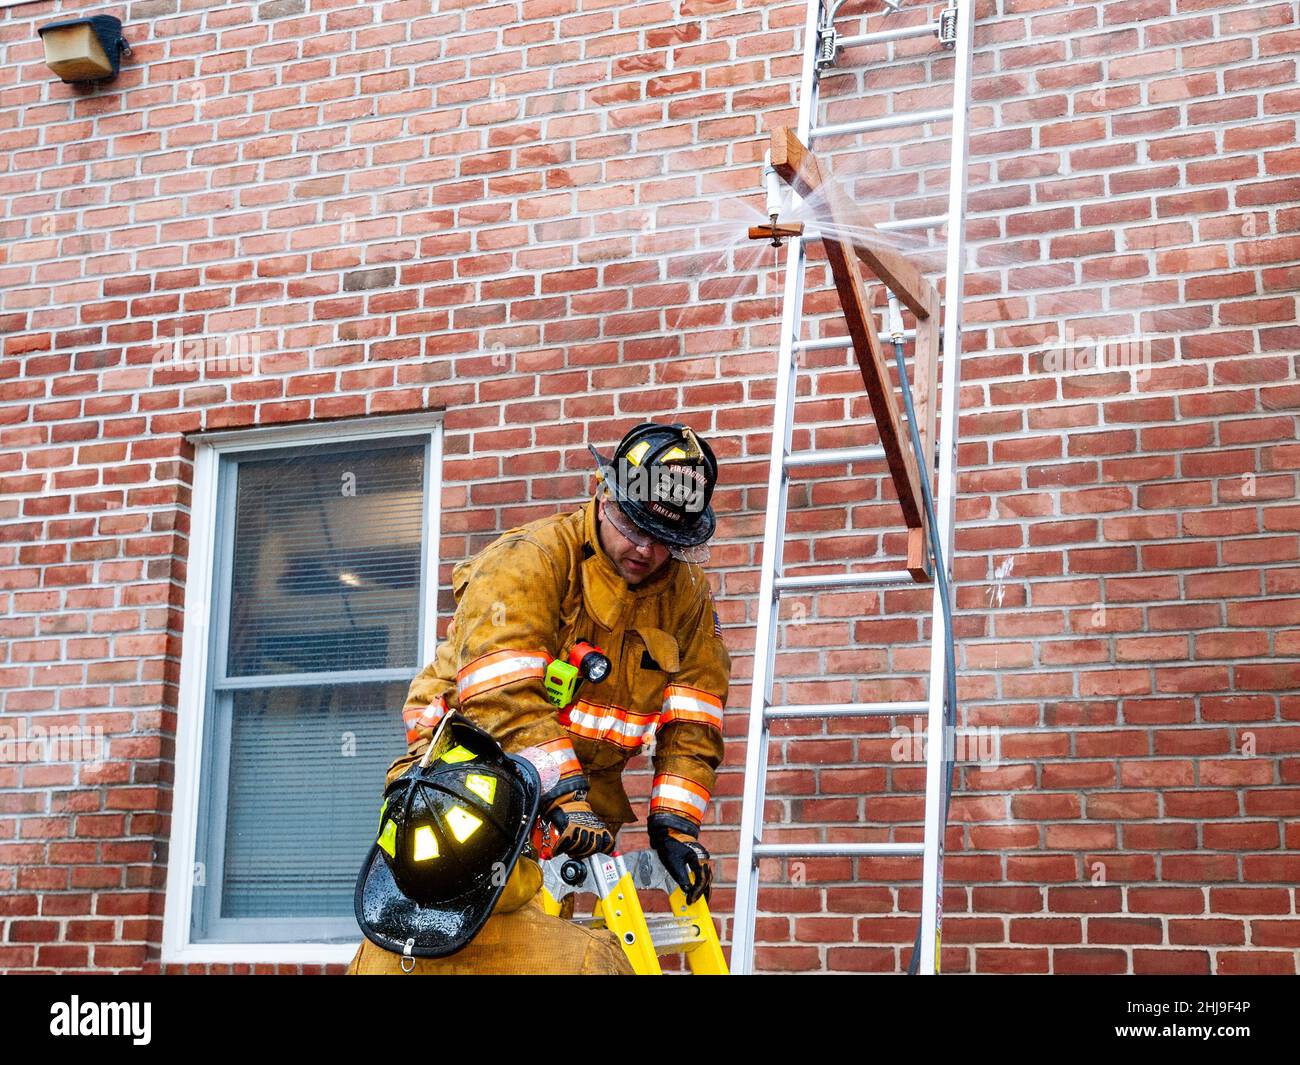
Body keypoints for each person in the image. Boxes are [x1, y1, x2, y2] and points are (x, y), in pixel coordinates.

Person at [346, 421, 730, 974]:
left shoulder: (687, 596)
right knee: (455, 934)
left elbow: (696, 715)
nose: (646, 549)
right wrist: (560, 792)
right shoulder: (532, 559)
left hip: (580, 797)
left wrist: (674, 824)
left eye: (667, 538)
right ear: (603, 494)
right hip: (467, 779)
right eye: (633, 524)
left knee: (545, 951)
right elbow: (500, 695)